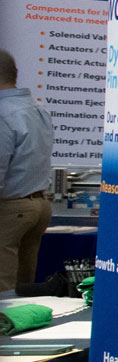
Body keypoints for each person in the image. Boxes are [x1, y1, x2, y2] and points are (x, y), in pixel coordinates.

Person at [0, 49, 54, 299]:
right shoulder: (38, 109)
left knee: (4, 287)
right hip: (39, 204)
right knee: (24, 282)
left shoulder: (3, 114)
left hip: (11, 207)